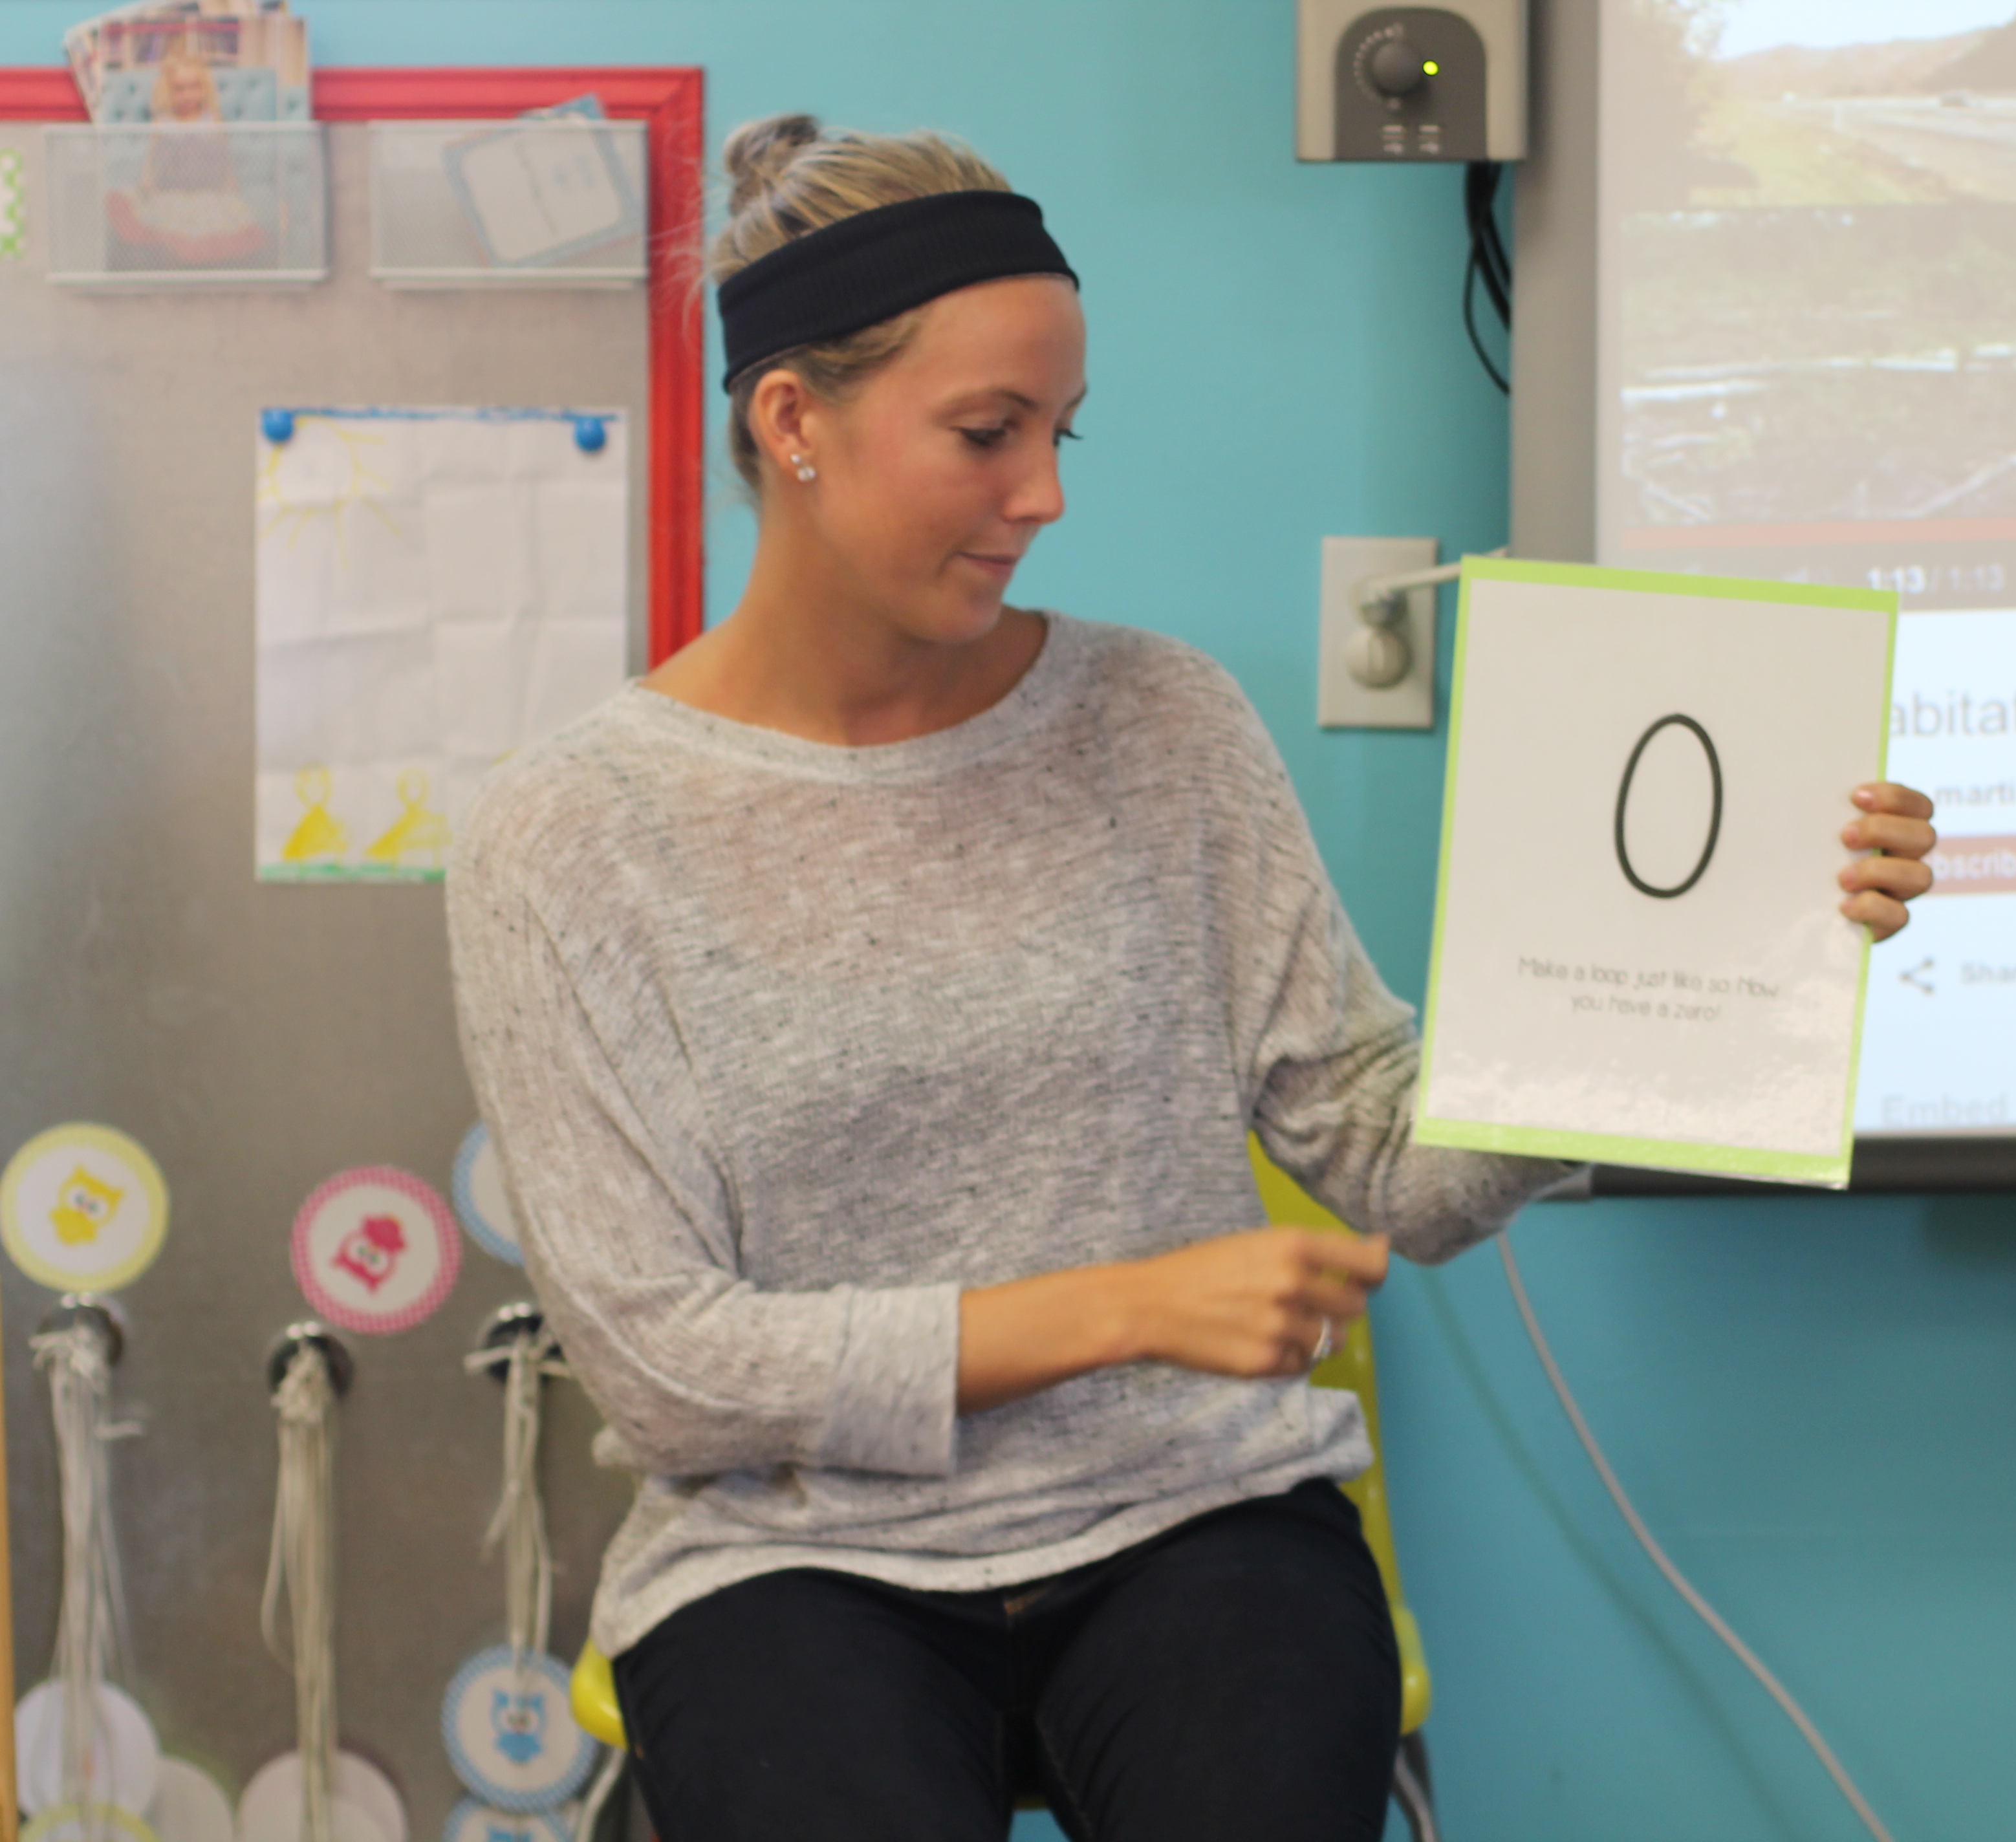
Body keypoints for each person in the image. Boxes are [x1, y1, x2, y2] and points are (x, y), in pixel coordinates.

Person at [446, 117, 1939, 1842]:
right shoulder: (568, 836)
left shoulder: (1162, 722)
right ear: (794, 420)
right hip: (788, 1558)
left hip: (1191, 1518)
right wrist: (1129, 1307)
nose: (1046, 495)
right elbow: (666, 1370)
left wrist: (1723, 939)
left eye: (1060, 431)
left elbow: (1394, 1163)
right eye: (988, 433)